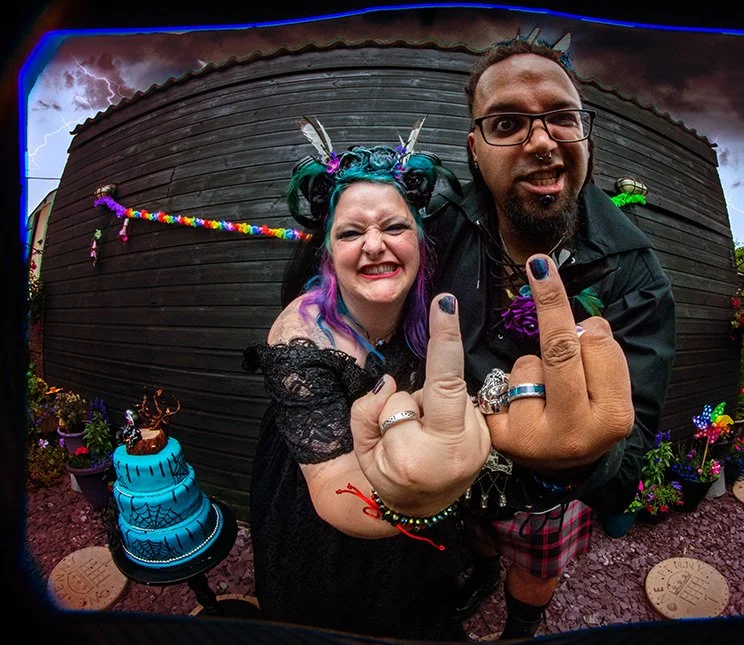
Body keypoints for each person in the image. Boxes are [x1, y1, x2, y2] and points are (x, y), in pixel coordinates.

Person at [425, 34, 677, 638]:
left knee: (535, 568)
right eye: (507, 122)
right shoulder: (439, 226)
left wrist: (580, 458)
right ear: (475, 150)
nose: (541, 141)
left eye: (561, 117)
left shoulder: (635, 275)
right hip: (459, 464)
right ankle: (482, 575)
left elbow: (630, 451)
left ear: (586, 136)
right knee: (479, 537)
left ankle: (518, 628)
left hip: (545, 496)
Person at [242, 118, 491, 640]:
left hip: (405, 472)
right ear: (329, 253)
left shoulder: (432, 308)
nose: (375, 245)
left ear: (419, 242)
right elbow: (334, 487)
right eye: (352, 232)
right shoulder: (300, 336)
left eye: (394, 227)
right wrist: (422, 502)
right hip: (321, 504)